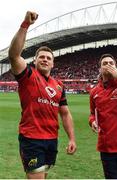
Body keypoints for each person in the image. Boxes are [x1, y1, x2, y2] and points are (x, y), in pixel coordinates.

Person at [8, 11, 76, 179]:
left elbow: (65, 113)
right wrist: (25, 25)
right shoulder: (28, 76)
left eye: (48, 58)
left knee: (43, 176)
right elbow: (14, 55)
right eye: (41, 57)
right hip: (32, 139)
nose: (45, 60)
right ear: (35, 61)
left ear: (53, 63)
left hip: (51, 139)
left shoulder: (59, 85)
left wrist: (72, 139)